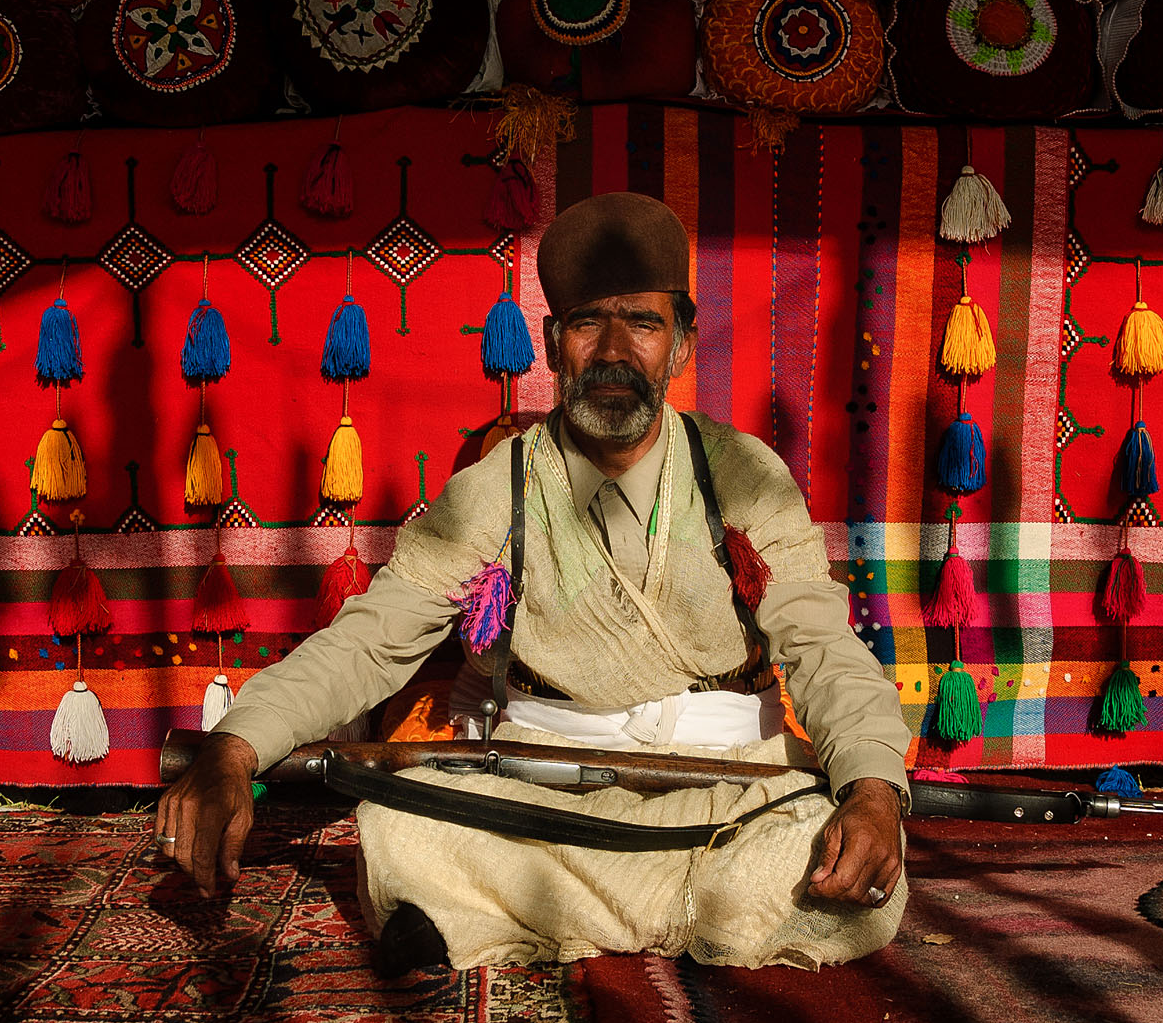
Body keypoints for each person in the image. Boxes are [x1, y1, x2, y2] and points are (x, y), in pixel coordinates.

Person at [157, 191, 912, 974]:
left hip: (732, 786)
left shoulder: (743, 474)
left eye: (643, 323)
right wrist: (236, 747)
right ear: (553, 345)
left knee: (840, 862)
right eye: (587, 324)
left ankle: (536, 917)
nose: (614, 351)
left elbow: (821, 646)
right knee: (401, 830)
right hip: (546, 788)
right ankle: (697, 918)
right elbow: (370, 642)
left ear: (682, 344)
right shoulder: (497, 488)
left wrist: (872, 789)